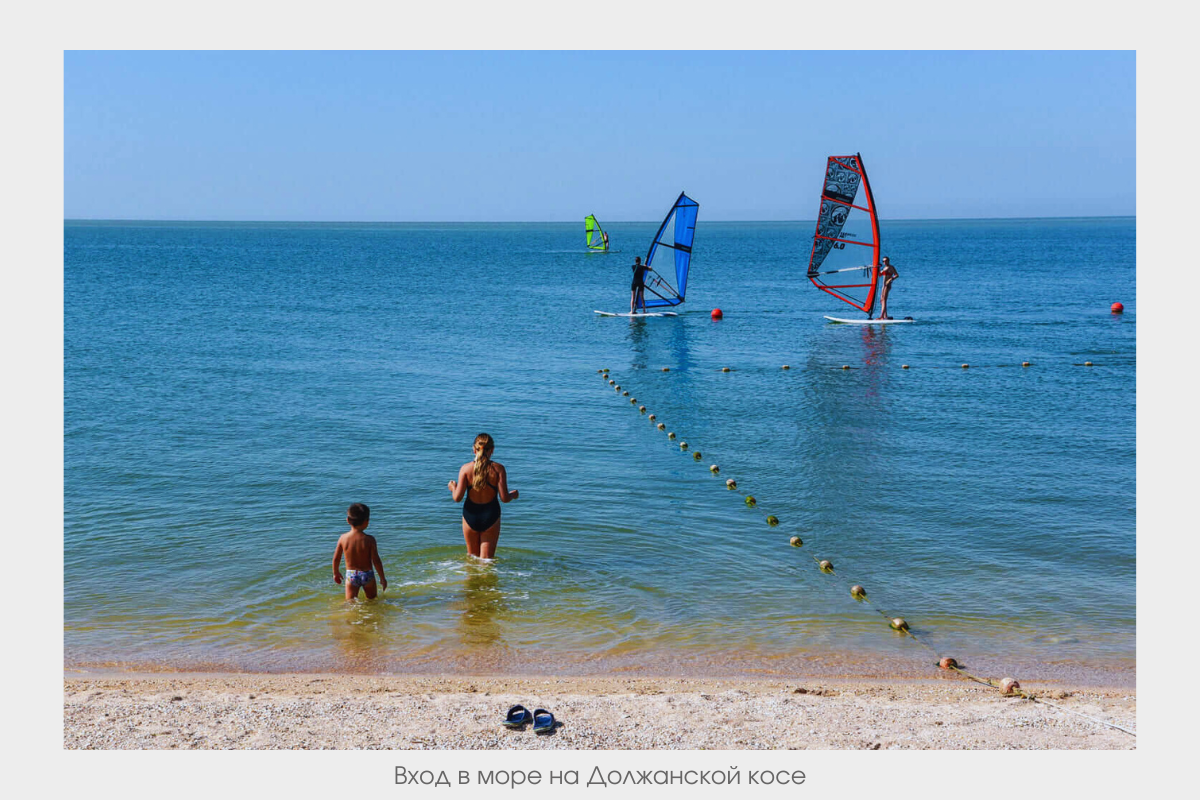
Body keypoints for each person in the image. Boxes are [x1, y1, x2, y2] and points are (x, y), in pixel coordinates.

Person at [448, 433, 518, 559]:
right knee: (486, 563)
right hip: (491, 515)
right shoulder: (498, 469)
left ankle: (471, 579)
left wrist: (453, 488)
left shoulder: (465, 469)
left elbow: (457, 498)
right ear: (492, 450)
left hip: (470, 515)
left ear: (474, 449)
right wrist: (513, 495)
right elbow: (504, 498)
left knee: (472, 558)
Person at [332, 503, 387, 600]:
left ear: (348, 520)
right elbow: (376, 560)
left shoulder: (343, 538)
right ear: (367, 522)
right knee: (372, 600)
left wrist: (336, 572)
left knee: (350, 603)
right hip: (367, 574)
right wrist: (382, 578)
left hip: (351, 575)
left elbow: (336, 558)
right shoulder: (370, 539)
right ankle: (372, 615)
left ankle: (351, 615)